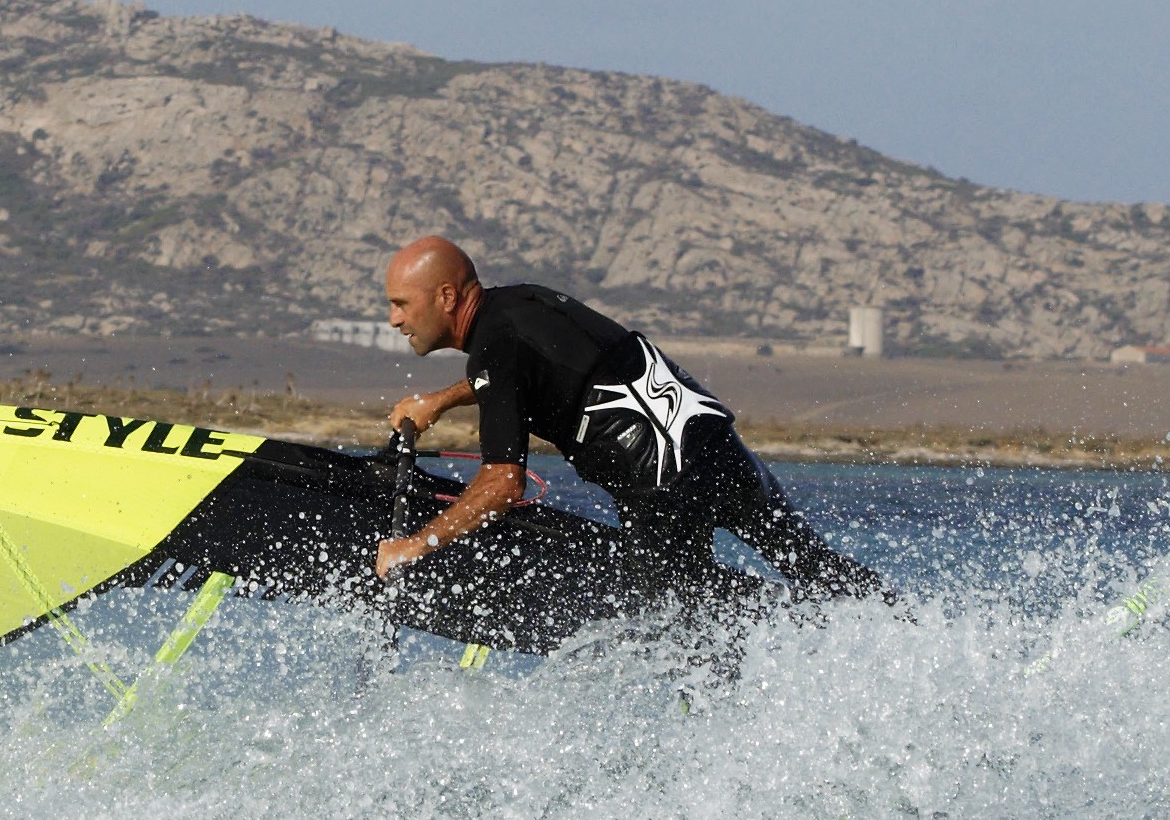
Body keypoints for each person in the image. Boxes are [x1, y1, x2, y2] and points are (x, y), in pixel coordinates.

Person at [370, 235, 880, 607]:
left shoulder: (493, 352)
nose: (394, 319)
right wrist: (443, 399)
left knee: (689, 629)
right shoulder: (526, 303)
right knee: (816, 569)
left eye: (400, 304)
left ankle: (751, 650)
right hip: (716, 448)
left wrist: (419, 544)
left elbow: (503, 483)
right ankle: (905, 629)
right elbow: (537, 374)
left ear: (446, 297)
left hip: (662, 492)